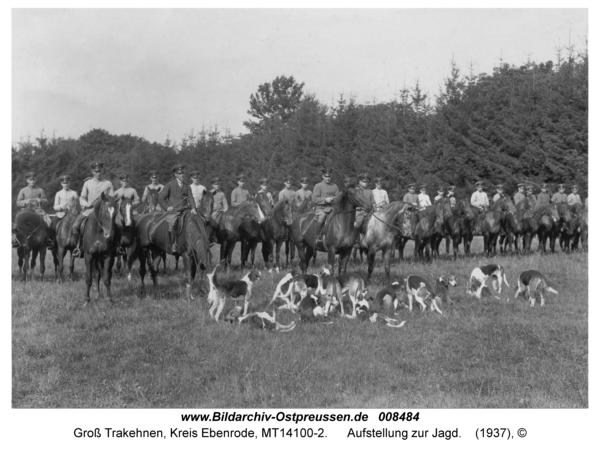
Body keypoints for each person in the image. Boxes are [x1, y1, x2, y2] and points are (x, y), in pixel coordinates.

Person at [72, 162, 115, 257]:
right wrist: (86, 204)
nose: (98, 173)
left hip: (105, 212)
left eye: (100, 171)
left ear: (102, 170)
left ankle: (117, 248)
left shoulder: (108, 184)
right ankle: (79, 248)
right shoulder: (87, 183)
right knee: (75, 226)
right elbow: (82, 197)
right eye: (96, 171)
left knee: (118, 225)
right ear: (92, 171)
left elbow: (111, 199)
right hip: (89, 211)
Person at [158, 164, 198, 254]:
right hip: (174, 211)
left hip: (185, 210)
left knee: (198, 219)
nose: (182, 175)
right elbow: (161, 198)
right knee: (172, 222)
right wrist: (167, 207)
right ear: (175, 175)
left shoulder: (187, 186)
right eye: (179, 173)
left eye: (183, 173)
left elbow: (191, 198)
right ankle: (173, 244)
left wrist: (193, 208)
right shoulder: (169, 185)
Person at [16, 171, 53, 246]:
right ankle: (17, 240)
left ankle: (48, 239)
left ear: (36, 180)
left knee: (49, 222)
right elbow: (18, 202)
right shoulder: (23, 190)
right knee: (17, 224)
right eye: (30, 180)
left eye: (33, 179)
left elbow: (46, 201)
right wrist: (25, 201)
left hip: (38, 211)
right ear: (27, 181)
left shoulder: (40, 190)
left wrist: (41, 200)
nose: (32, 181)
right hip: (26, 212)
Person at [312, 168, 340, 243]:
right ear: (323, 176)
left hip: (333, 208)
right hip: (321, 208)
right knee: (322, 217)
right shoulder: (318, 186)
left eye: (329, 176)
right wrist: (325, 200)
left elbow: (338, 197)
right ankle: (317, 236)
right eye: (326, 176)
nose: (328, 178)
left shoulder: (334, 186)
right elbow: (314, 199)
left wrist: (334, 199)